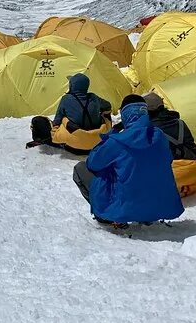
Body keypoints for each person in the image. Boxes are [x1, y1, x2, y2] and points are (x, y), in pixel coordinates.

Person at [72, 95, 185, 228]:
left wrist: (110, 135)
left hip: (126, 209)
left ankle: (107, 217)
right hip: (161, 206)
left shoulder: (117, 141)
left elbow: (93, 163)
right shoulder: (159, 136)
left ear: (125, 114)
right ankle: (146, 215)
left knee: (80, 169)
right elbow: (167, 160)